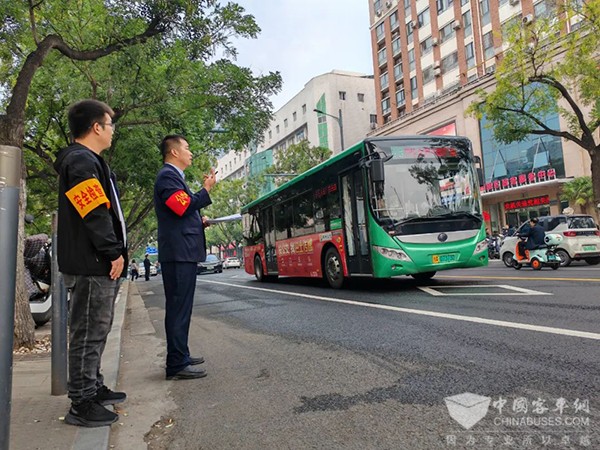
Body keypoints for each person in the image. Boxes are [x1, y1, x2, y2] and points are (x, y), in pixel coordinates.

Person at [54, 99, 127, 427]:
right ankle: (81, 403)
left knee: (96, 330)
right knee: (87, 332)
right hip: (91, 262)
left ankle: (93, 387)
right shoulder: (81, 161)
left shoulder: (89, 160)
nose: (112, 131)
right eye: (110, 124)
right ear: (96, 127)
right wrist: (112, 252)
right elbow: (94, 212)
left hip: (95, 261)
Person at [153, 135, 216, 380]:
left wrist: (197, 221)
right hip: (178, 253)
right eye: (187, 148)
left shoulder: (175, 178)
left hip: (183, 251)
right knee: (179, 308)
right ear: (174, 152)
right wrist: (207, 189)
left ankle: (181, 354)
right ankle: (176, 363)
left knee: (182, 308)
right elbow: (182, 206)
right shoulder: (167, 177)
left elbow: (182, 210)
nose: (191, 152)